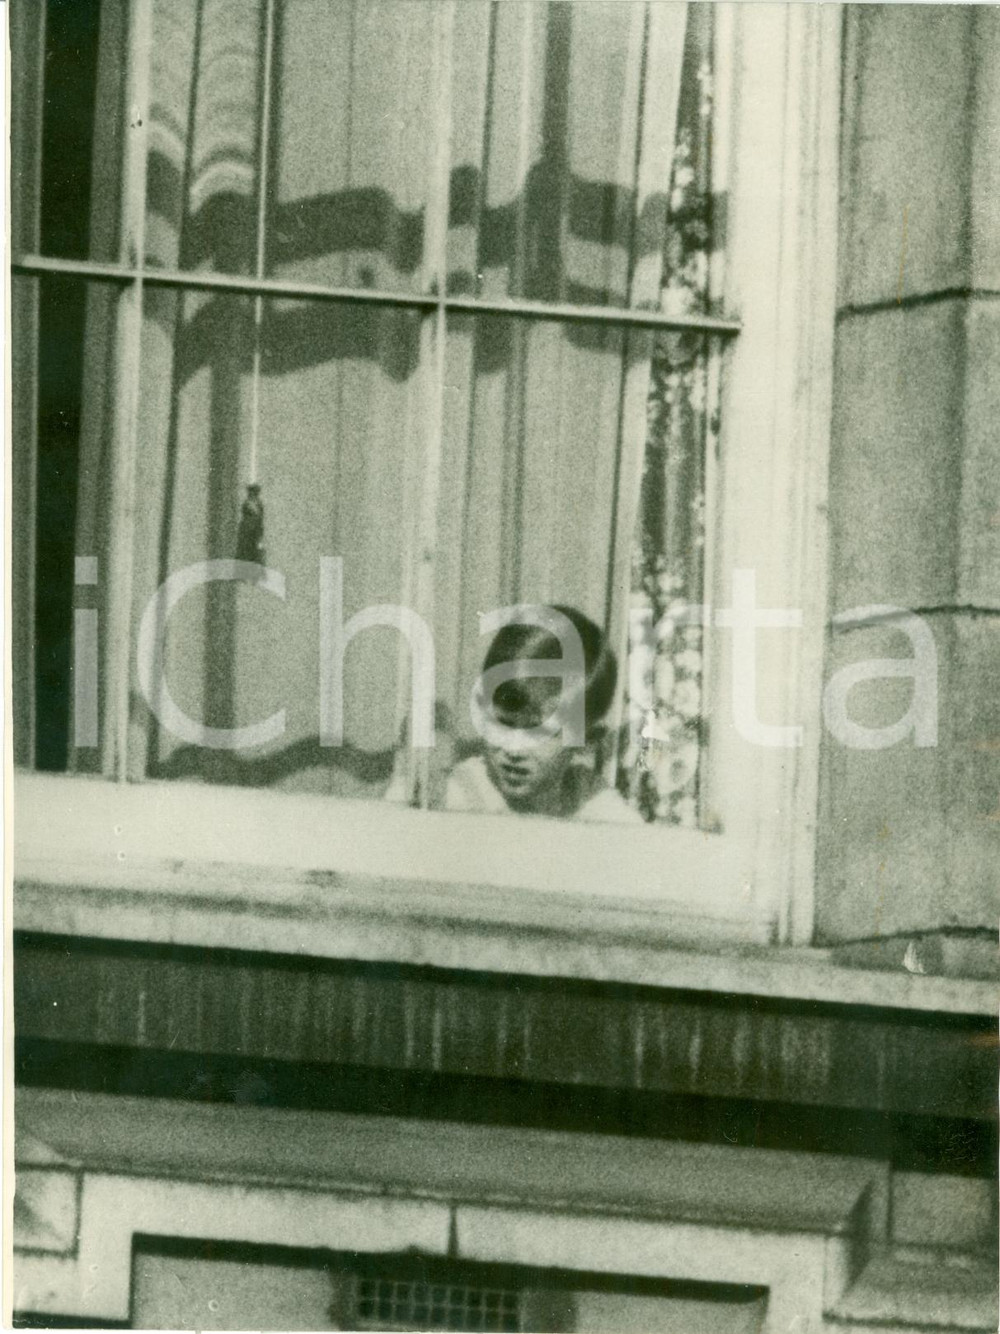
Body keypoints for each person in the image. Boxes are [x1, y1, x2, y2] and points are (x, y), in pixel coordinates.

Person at [386, 606, 641, 822]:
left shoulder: (588, 798)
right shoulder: (459, 795)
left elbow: (641, 853)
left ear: (588, 740)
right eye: (503, 723)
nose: (515, 750)